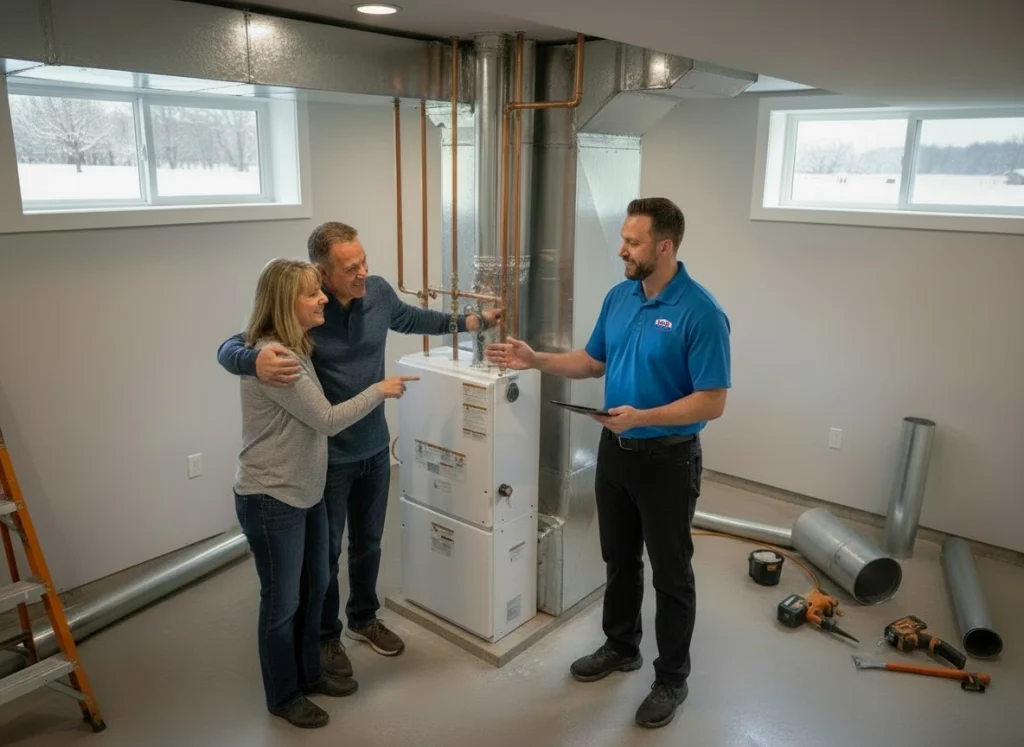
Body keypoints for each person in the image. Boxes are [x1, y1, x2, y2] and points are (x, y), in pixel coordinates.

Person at [485, 197, 730, 730]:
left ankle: (671, 677)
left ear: (664, 247)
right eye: (624, 238)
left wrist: (643, 417)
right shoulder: (620, 296)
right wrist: (536, 359)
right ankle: (621, 646)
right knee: (618, 560)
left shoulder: (701, 312)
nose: (622, 248)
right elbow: (594, 361)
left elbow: (712, 400)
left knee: (671, 573)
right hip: (615, 454)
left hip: (667, 462)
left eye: (633, 241)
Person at [218, 222, 501, 676]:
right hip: (326, 457)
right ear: (321, 273)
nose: (363, 273)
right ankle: (326, 636)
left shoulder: (377, 293)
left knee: (368, 544)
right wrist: (250, 359)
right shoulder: (304, 309)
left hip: (372, 450)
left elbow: (412, 318)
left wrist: (472, 322)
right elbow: (233, 344)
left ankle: (363, 618)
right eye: (351, 268)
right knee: (324, 556)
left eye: (364, 261)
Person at [232, 257, 416, 729]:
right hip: (273, 497)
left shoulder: (298, 344)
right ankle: (283, 695)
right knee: (281, 604)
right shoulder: (280, 359)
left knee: (315, 586)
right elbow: (329, 419)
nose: (323, 300)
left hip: (306, 490)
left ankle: (311, 674)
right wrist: (381, 389)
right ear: (285, 303)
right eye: (313, 294)